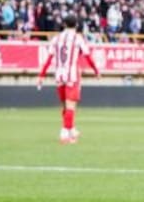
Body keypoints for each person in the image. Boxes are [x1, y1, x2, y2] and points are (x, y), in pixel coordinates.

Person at [36, 14, 99, 144]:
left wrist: (41, 75)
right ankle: (65, 133)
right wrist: (96, 70)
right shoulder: (78, 38)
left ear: (64, 24)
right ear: (76, 25)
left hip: (59, 75)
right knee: (71, 105)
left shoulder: (56, 39)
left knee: (65, 105)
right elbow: (87, 56)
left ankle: (71, 129)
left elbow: (48, 59)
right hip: (72, 75)